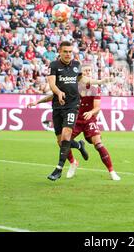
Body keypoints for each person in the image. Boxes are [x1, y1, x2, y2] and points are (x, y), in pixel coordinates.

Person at [29, 65, 120, 181]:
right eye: (85, 70)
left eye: (89, 70)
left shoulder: (94, 88)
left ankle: (112, 171)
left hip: (89, 119)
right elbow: (55, 96)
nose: (87, 72)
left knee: (98, 143)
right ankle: (73, 162)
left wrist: (91, 112)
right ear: (80, 74)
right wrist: (37, 101)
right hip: (75, 118)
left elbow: (97, 108)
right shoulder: (72, 86)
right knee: (61, 141)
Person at [45, 41, 89, 181]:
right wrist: (58, 92)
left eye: (70, 51)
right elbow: (52, 83)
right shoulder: (54, 65)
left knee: (66, 134)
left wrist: (100, 82)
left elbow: (83, 80)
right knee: (60, 141)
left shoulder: (76, 65)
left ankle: (58, 169)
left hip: (72, 105)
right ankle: (79, 145)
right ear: (60, 52)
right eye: (65, 51)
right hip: (58, 106)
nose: (68, 54)